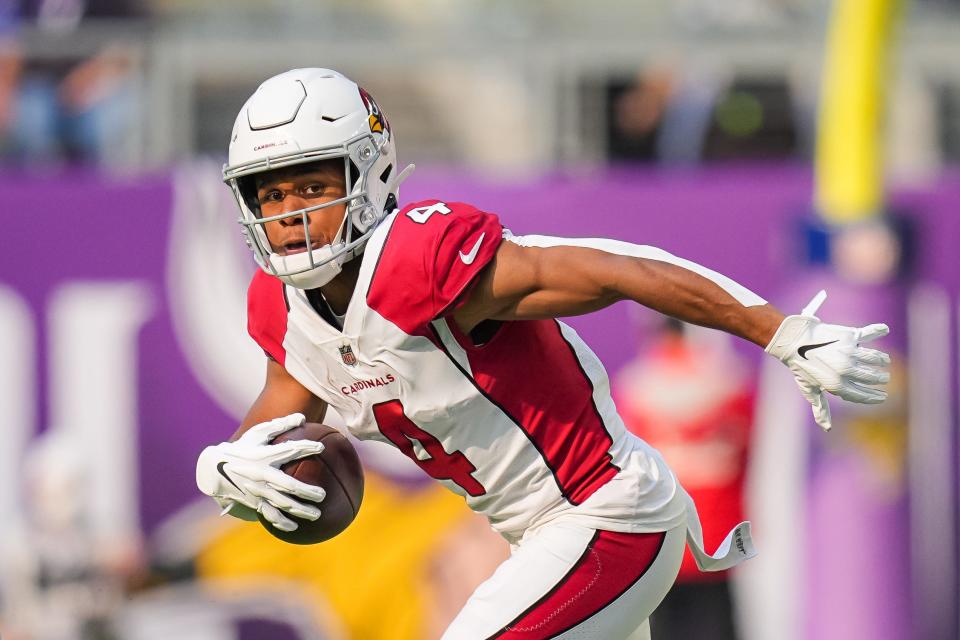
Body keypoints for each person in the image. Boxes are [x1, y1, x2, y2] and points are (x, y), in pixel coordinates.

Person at [195, 68, 891, 640]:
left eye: (312, 188)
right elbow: (275, 424)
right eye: (272, 194)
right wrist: (227, 467)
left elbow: (617, 269)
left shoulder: (417, 262)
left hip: (610, 517)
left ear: (367, 175)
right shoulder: (278, 305)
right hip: (538, 540)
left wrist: (779, 331)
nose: (287, 215)